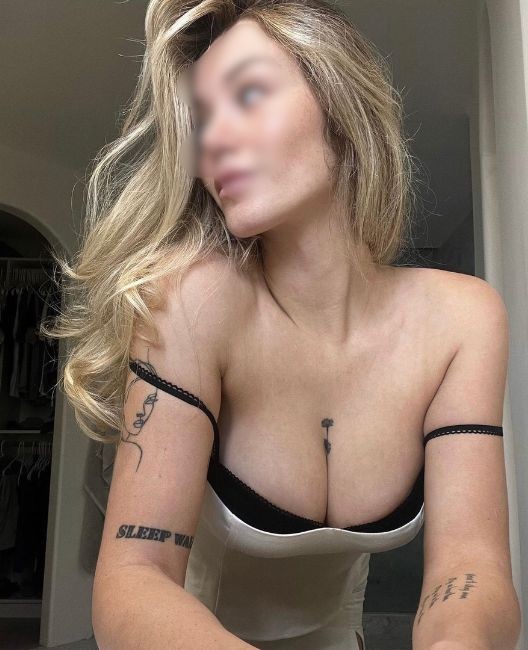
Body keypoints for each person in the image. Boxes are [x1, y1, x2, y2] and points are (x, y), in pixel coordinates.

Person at [41, 0, 520, 648]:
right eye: (204, 119)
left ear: (340, 106)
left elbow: (471, 565)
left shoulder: (462, 320)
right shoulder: (191, 304)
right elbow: (135, 576)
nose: (213, 141)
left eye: (249, 94)